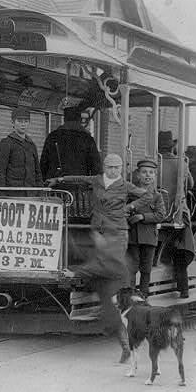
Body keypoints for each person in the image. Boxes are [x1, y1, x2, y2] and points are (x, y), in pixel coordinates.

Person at [47, 154, 152, 363]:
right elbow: (80, 179)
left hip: (118, 231)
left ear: (121, 168)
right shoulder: (97, 180)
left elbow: (148, 196)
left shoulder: (125, 185)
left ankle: (128, 320)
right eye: (109, 167)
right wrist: (60, 180)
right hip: (99, 229)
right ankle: (122, 334)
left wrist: (130, 208)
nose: (113, 171)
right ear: (104, 167)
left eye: (117, 167)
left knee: (112, 268)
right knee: (105, 275)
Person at [159, 131, 195, 298]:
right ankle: (184, 288)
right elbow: (190, 184)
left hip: (156, 211)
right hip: (176, 212)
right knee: (183, 247)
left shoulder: (153, 163)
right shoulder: (181, 163)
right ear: (172, 146)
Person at [126, 158, 166, 295]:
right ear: (138, 175)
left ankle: (143, 296)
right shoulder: (131, 193)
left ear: (155, 175)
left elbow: (161, 215)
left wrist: (142, 217)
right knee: (131, 268)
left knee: (146, 269)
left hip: (149, 238)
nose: (148, 175)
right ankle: (130, 297)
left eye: (151, 172)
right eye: (144, 172)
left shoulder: (157, 196)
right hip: (133, 237)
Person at [40, 106, 102, 179]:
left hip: (56, 183)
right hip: (81, 184)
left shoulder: (53, 136)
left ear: (64, 119)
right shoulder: (87, 139)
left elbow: (43, 164)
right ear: (79, 119)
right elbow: (96, 166)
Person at [0, 107, 42, 187]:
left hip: (31, 193)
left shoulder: (31, 145)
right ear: (13, 123)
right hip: (13, 194)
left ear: (29, 123)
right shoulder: (6, 143)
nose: (23, 124)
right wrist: (2, 195)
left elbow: (37, 172)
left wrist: (41, 192)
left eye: (26, 121)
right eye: (19, 121)